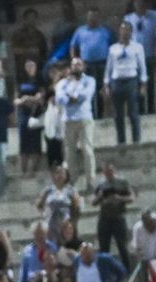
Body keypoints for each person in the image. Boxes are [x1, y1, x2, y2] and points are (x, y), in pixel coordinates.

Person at [55, 57, 97, 190]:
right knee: (69, 152)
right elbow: (60, 97)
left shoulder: (89, 80)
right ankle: (72, 181)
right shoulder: (63, 83)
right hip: (68, 120)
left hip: (84, 117)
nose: (76, 67)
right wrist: (71, 98)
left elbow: (86, 95)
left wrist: (74, 97)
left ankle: (91, 180)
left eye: (78, 64)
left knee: (87, 149)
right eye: (73, 65)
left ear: (83, 66)